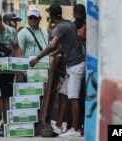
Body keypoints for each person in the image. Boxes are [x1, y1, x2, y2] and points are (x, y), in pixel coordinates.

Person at [30, 4, 85, 137]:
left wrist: (38, 58)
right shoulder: (69, 24)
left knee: (73, 97)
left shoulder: (60, 27)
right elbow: (68, 44)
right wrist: (56, 53)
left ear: (50, 16)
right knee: (63, 93)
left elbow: (53, 44)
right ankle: (59, 125)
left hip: (75, 65)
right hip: (73, 64)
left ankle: (75, 129)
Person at [17, 8, 49, 82]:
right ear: (28, 18)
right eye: (30, 18)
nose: (33, 20)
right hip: (29, 71)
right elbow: (18, 52)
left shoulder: (44, 31)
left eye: (35, 18)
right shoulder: (23, 32)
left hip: (43, 69)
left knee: (42, 93)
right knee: (30, 92)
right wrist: (23, 71)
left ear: (40, 18)